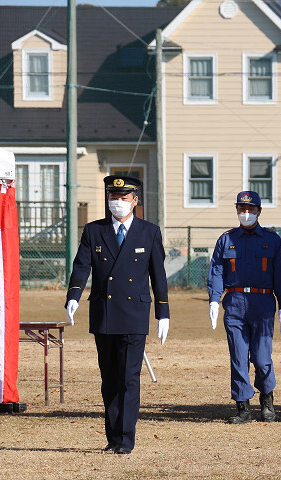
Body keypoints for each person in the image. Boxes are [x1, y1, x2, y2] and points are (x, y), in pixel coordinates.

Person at [65, 175, 169, 454]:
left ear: (135, 201)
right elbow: (81, 266)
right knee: (109, 379)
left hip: (134, 313)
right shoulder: (94, 230)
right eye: (113, 197)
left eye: (124, 198)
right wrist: (73, 296)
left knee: (128, 378)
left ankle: (125, 439)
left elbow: (158, 275)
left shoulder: (149, 232)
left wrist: (164, 313)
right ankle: (113, 438)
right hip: (104, 312)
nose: (118, 202)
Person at [207, 191, 281, 424]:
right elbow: (216, 271)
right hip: (234, 303)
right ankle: (243, 406)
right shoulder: (226, 239)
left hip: (262, 303)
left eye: (250, 209)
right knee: (238, 356)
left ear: (259, 212)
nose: (246, 214)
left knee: (262, 358)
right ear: (236, 210)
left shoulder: (272, 240)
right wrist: (214, 299)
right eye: (241, 209)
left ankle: (267, 399)